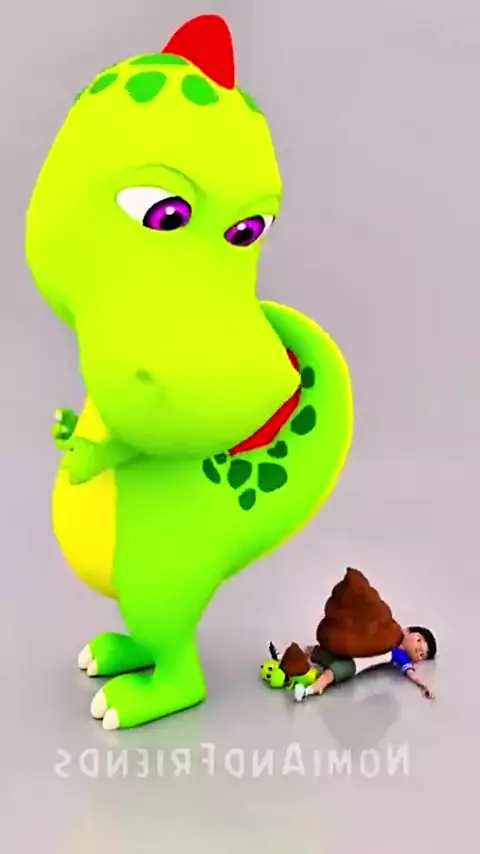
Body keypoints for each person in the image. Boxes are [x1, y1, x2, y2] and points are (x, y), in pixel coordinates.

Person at [293, 625, 437, 702]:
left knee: (332, 672)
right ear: (407, 631)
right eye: (419, 640)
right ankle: (292, 657)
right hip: (351, 648)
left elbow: (411, 672)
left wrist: (424, 685)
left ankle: (309, 690)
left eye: (421, 654)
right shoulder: (388, 632)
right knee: (320, 653)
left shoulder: (399, 655)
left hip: (355, 663)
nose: (418, 649)